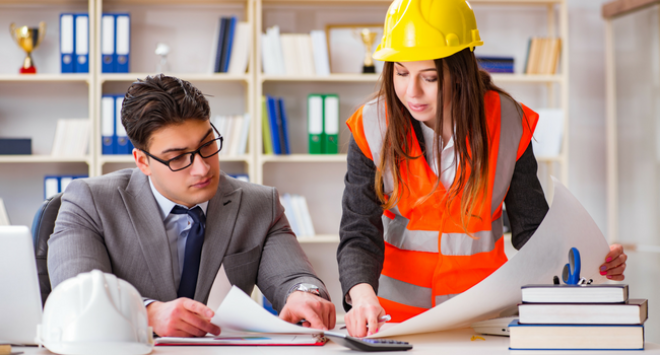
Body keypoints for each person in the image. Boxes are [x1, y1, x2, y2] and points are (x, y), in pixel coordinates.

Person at [337, 0, 628, 337]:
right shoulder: (372, 125)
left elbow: (532, 231)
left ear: (459, 71)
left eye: (429, 77)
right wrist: (361, 297)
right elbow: (359, 230)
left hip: (484, 321)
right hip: (396, 322)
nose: (411, 91)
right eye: (401, 72)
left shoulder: (507, 121)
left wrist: (592, 259)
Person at [48, 74, 336, 337]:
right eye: (177, 157)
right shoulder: (89, 201)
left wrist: (305, 294)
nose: (201, 168)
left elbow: (295, 278)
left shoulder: (259, 205)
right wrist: (146, 314)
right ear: (143, 162)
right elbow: (77, 297)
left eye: (207, 145)